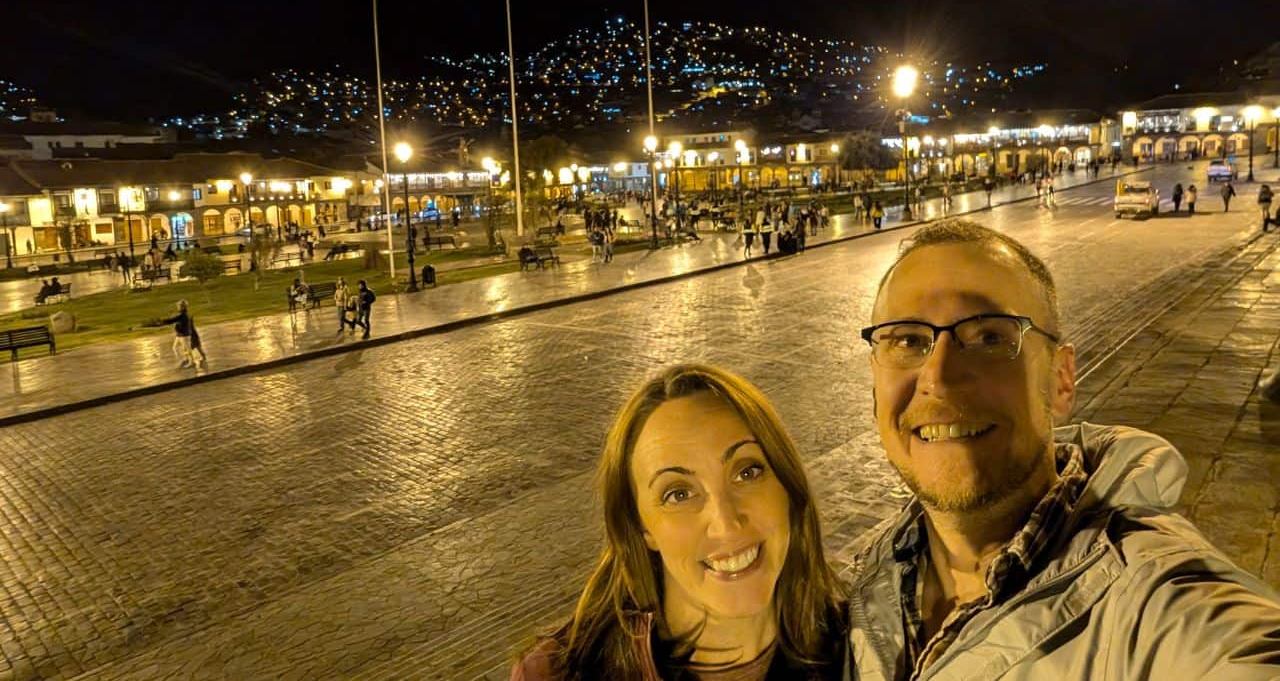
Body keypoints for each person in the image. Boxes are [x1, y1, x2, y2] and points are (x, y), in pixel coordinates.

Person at [846, 219, 1280, 679]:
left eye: (990, 337)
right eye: (908, 340)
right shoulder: (876, 578)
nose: (938, 378)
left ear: (1060, 380)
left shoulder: (1161, 606)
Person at [510, 364, 848, 679]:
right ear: (642, 528)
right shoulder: (555, 673)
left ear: (787, 485)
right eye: (679, 494)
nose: (725, 522)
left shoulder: (868, 651)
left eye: (747, 472)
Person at [159, 300, 195, 368]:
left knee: (187, 349)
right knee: (175, 348)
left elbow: (173, 320)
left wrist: (163, 321)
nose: (177, 307)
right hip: (179, 335)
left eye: (179, 306)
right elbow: (173, 320)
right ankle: (184, 359)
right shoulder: (181, 315)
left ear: (183, 307)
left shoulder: (183, 315)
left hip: (184, 335)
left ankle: (191, 362)